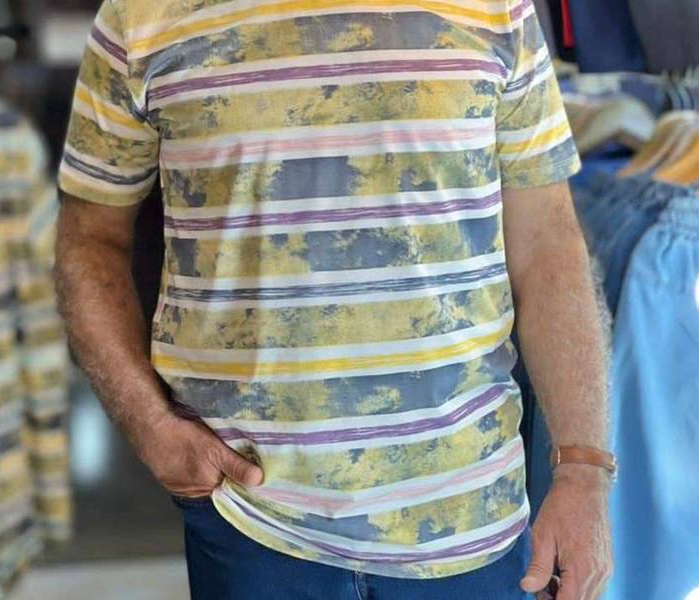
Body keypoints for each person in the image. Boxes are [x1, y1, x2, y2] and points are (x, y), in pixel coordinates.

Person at [54, 0, 614, 597]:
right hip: (250, 517)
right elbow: (88, 242)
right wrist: (150, 428)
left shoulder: (495, 9)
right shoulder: (145, 15)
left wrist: (584, 471)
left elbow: (549, 244)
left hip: (468, 515)